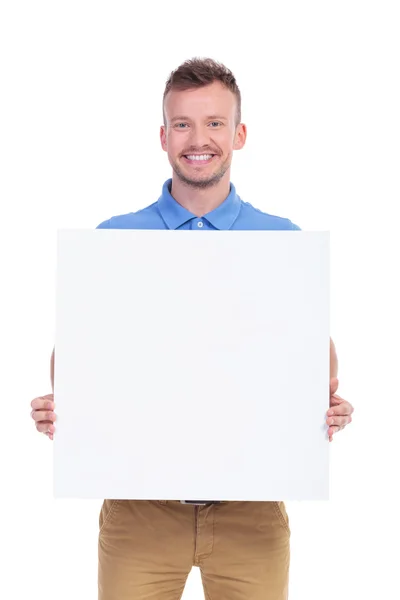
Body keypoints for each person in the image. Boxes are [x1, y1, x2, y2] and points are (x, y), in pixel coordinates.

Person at [30, 57, 354, 600]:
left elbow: (314, 359)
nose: (198, 139)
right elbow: (79, 357)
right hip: (140, 516)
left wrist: (322, 404)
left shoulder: (281, 241)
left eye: (214, 123)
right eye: (182, 124)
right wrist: (65, 405)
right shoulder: (115, 239)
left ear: (239, 134)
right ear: (162, 136)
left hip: (252, 515)